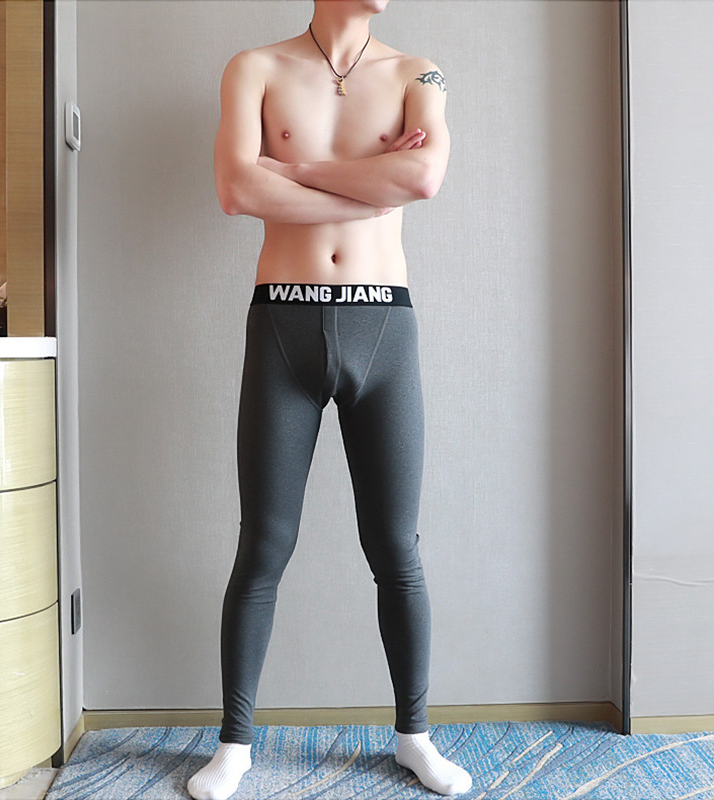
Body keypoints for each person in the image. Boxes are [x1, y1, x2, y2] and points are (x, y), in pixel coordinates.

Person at [188, 1, 471, 798]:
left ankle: (415, 736)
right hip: (283, 321)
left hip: (385, 324)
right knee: (263, 545)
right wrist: (369, 187)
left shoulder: (419, 73)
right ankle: (235, 744)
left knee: (396, 547)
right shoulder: (255, 68)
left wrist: (293, 171)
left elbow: (423, 178)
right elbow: (234, 189)